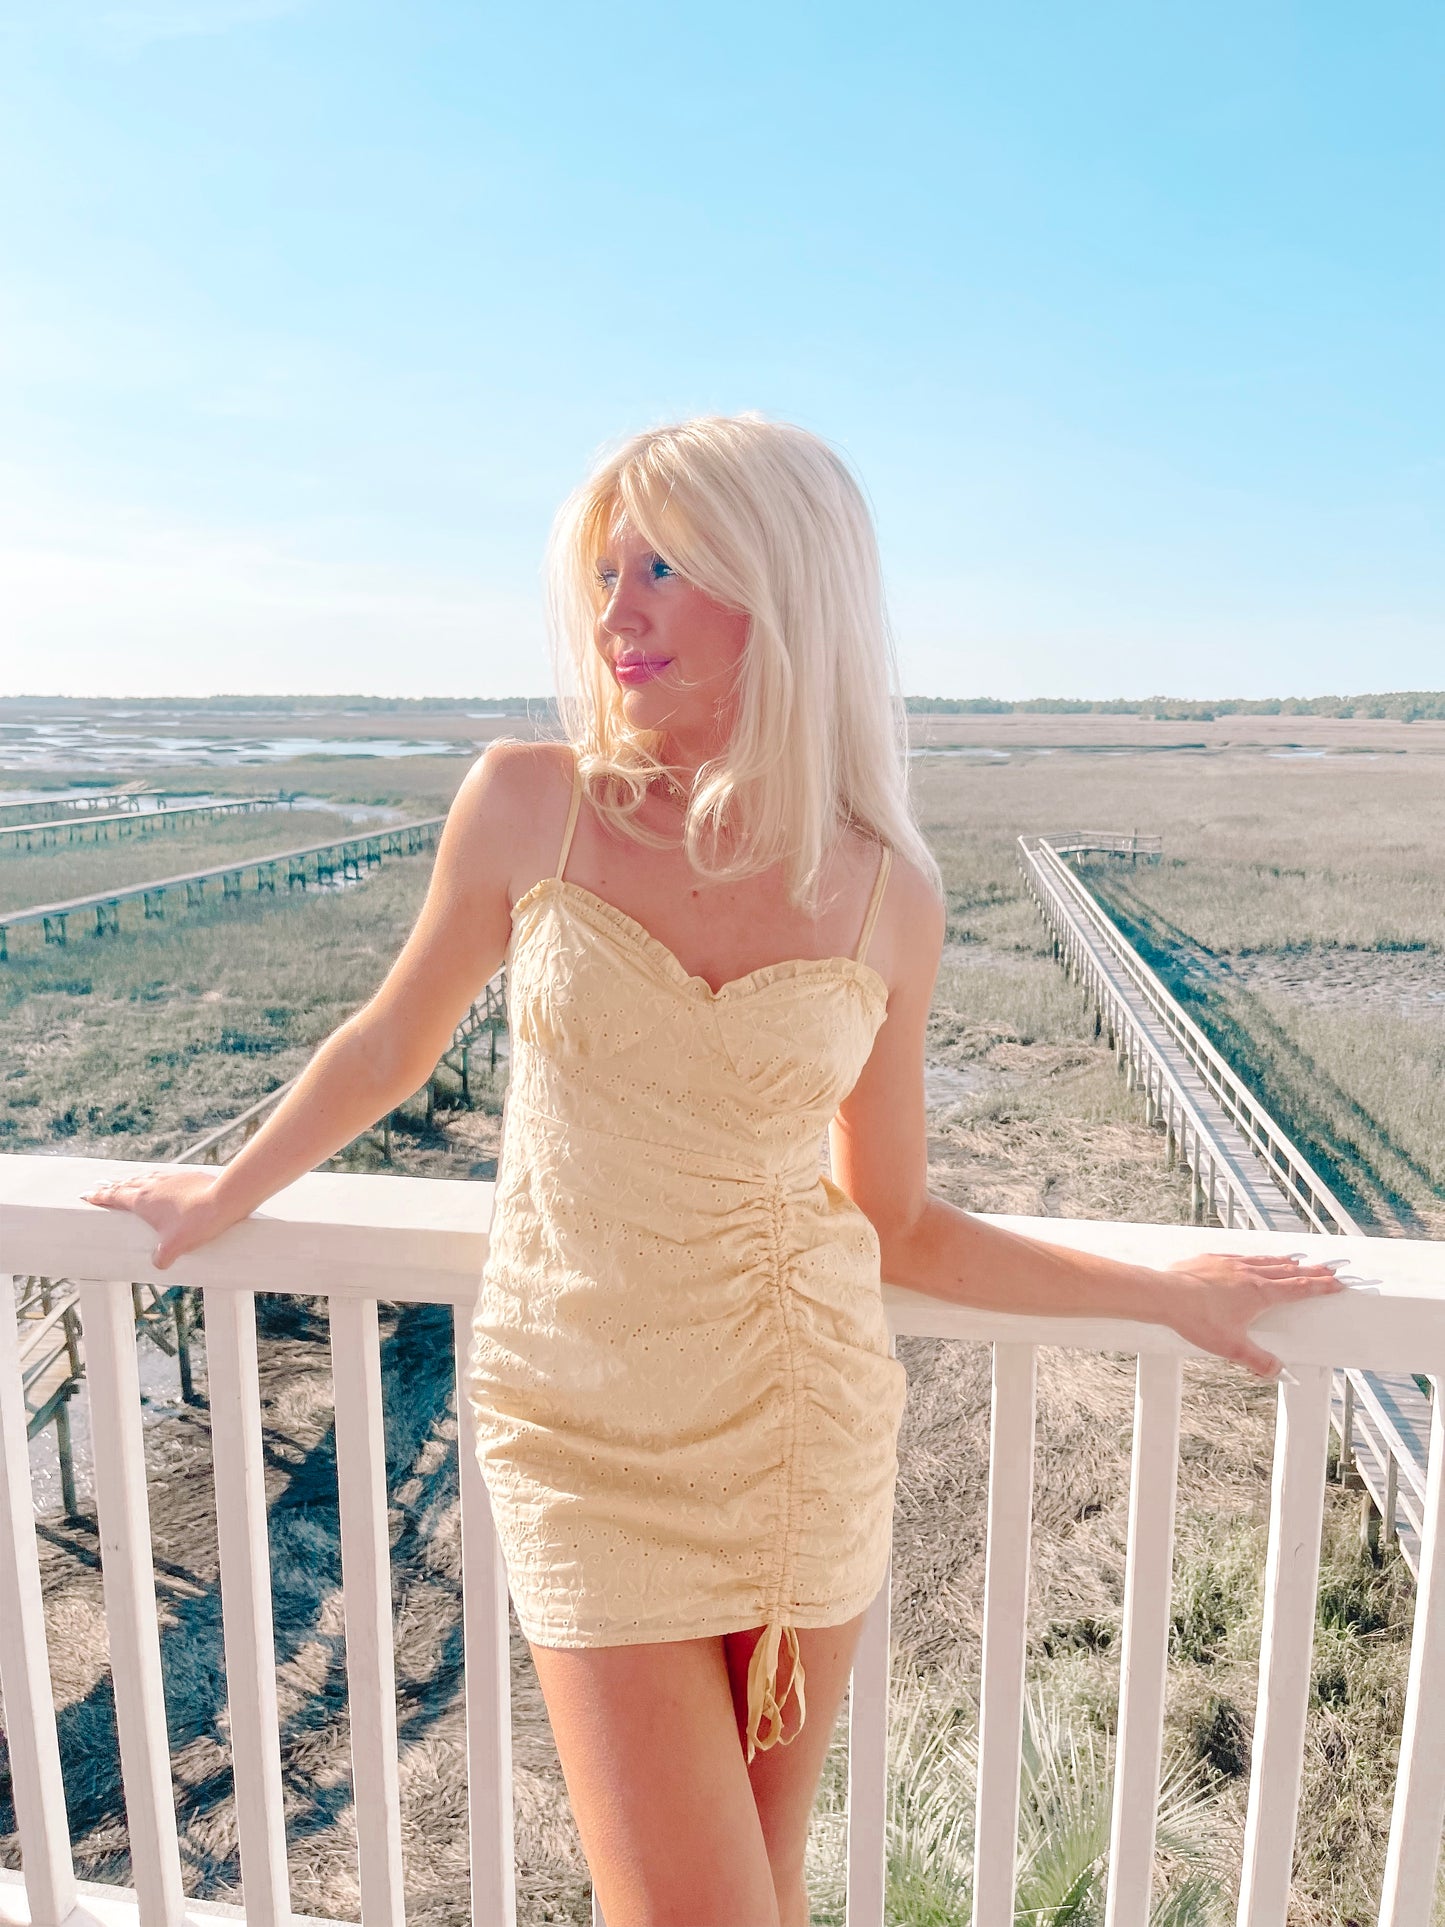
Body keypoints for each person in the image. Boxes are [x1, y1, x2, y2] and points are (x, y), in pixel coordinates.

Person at [83, 413, 1345, 1927]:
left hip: (799, 1438)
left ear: (784, 589)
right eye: (606, 569)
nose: (616, 610)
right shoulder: (527, 802)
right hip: (579, 1433)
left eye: (665, 567)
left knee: (754, 1892)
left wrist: (1163, 1291)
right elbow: (384, 1048)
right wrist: (220, 1194)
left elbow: (896, 1223)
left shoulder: (885, 887)